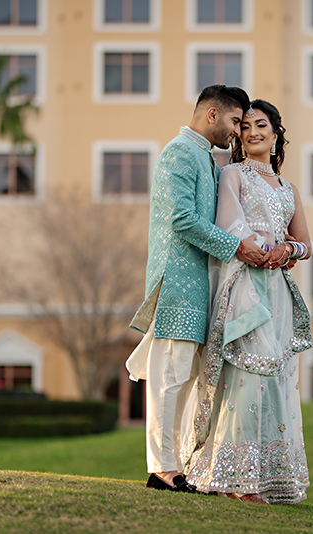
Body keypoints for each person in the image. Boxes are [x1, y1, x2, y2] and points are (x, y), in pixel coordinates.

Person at [126, 85, 268, 493]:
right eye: (235, 122)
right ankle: (162, 469)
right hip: (177, 285)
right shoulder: (179, 153)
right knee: (169, 377)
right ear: (211, 114)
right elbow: (182, 220)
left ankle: (175, 465)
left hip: (199, 287)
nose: (238, 131)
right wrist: (236, 246)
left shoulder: (206, 158)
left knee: (186, 378)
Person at [180, 99, 313, 504]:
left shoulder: (289, 188)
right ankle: (230, 478)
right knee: (246, 378)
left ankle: (266, 480)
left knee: (278, 379)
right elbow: (227, 224)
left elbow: (307, 243)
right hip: (244, 284)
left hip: (278, 290)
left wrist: (288, 250)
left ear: (276, 134)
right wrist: (256, 248)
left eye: (261, 125)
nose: (252, 132)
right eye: (247, 126)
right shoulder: (233, 174)